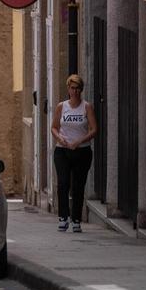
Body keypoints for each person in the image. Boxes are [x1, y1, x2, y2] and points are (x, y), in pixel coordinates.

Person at [51, 74, 98, 233]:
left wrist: (79, 141)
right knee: (63, 183)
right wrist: (60, 138)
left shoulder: (86, 107)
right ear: (68, 89)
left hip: (82, 151)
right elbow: (54, 127)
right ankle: (63, 217)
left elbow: (94, 129)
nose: (75, 91)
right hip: (62, 151)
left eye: (78, 88)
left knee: (78, 186)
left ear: (81, 90)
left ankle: (76, 219)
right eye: (72, 88)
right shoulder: (61, 106)